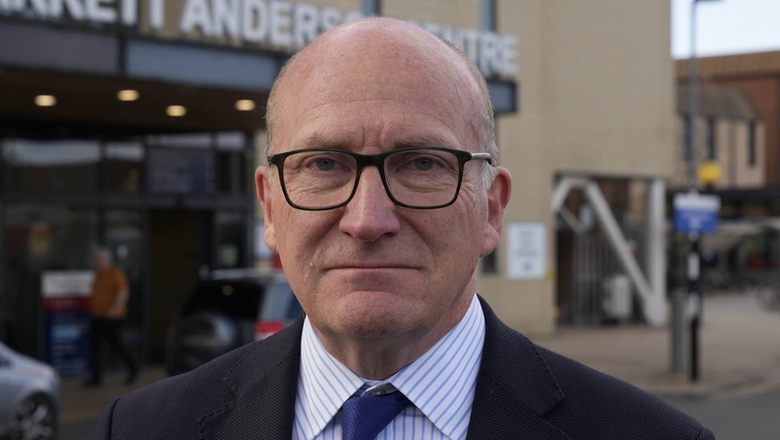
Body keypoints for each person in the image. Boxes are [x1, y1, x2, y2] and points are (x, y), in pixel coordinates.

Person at [94, 18, 714, 439]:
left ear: (491, 209)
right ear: (269, 208)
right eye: (324, 164)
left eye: (421, 164)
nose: (367, 220)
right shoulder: (145, 429)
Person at [85, 248, 137, 387]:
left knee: (117, 346)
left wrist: (114, 308)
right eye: (96, 260)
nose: (97, 262)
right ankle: (96, 378)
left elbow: (123, 292)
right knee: (94, 346)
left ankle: (133, 368)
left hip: (112, 318)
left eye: (99, 260)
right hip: (98, 317)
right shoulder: (98, 275)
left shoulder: (116, 274)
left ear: (107, 260)